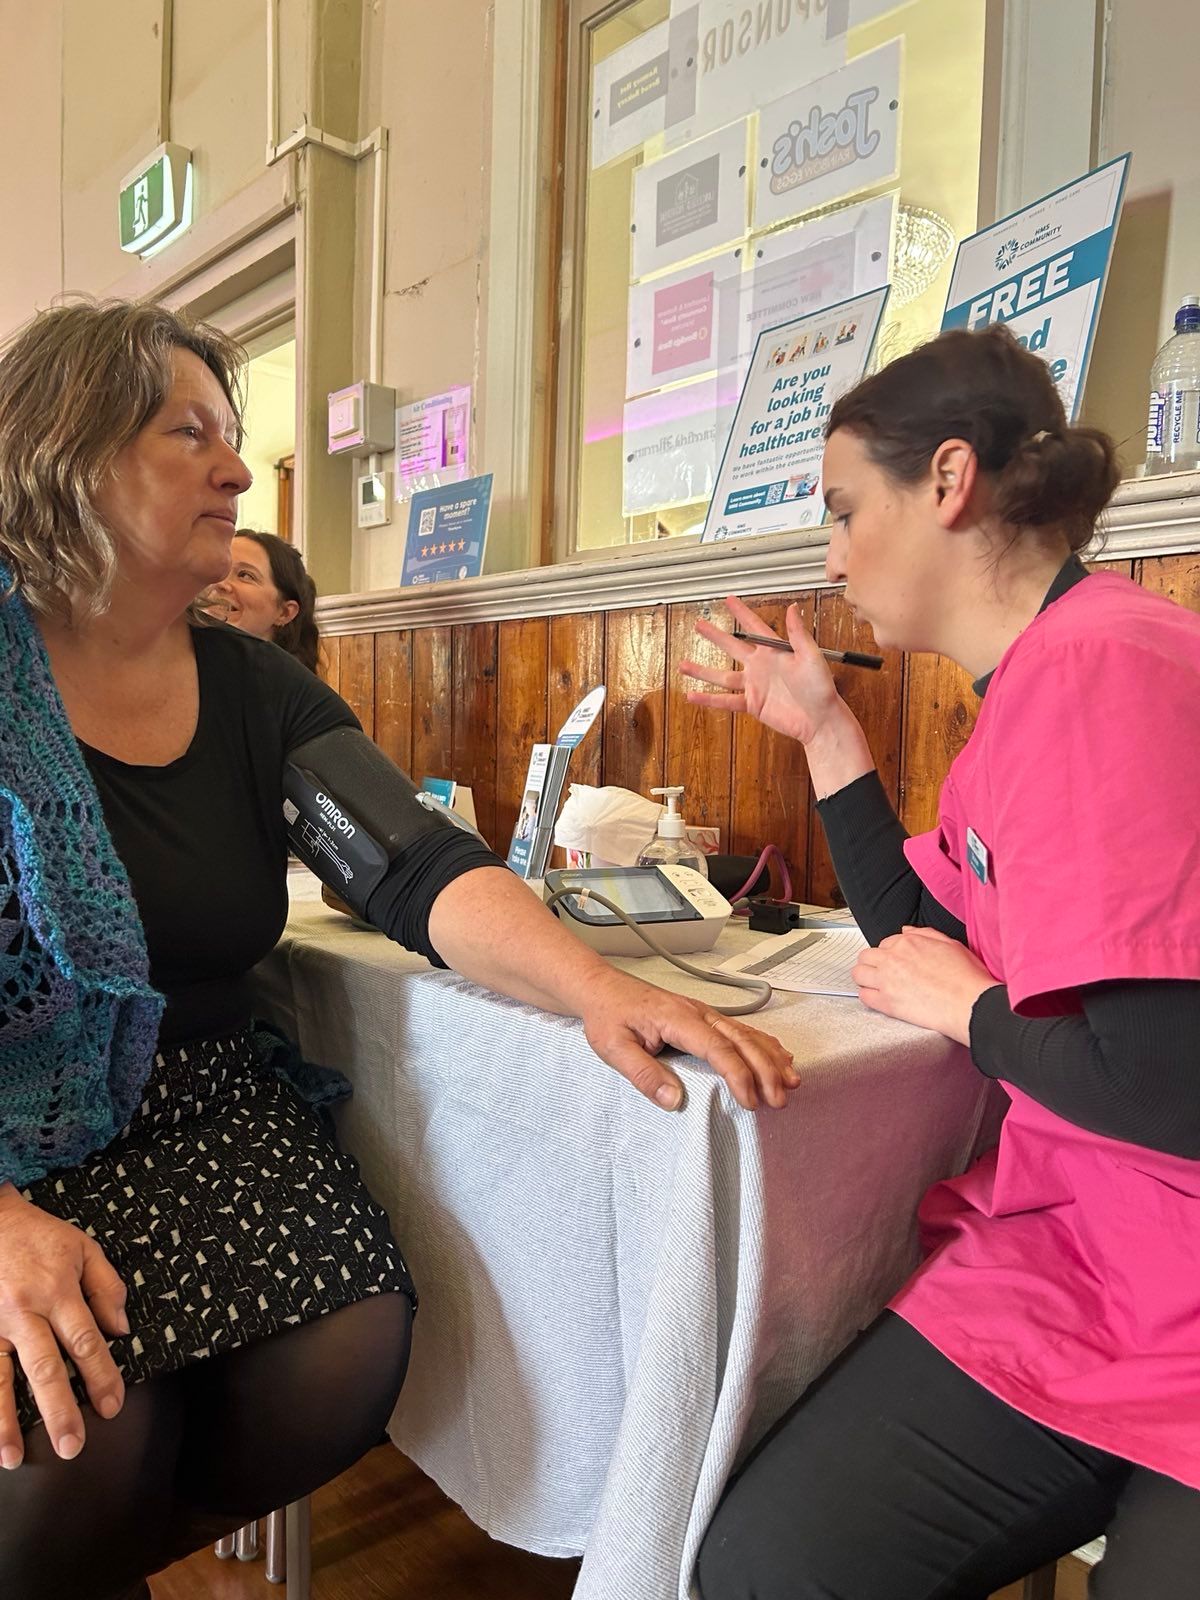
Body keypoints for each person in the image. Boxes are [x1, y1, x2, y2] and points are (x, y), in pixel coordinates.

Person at [0, 299, 796, 1600]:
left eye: (233, 434)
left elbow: (414, 869)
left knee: (349, 1344)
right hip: (14, 1154)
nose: (239, 470)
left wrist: (599, 990)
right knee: (79, 1442)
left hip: (203, 1117)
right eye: (188, 432)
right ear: (70, 457)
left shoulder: (257, 692)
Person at [682, 325, 1200, 1600]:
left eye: (847, 508)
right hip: (1084, 1265)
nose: (833, 553)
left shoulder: (1108, 670)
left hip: (1168, 1283)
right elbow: (918, 921)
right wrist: (818, 725)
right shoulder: (1040, 680)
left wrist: (972, 1014)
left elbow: (1164, 1087)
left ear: (950, 481)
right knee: (762, 1564)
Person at [203, 528, 320, 672]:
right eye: (218, 569)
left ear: (285, 612)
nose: (220, 584)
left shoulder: (292, 691)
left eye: (245, 575)